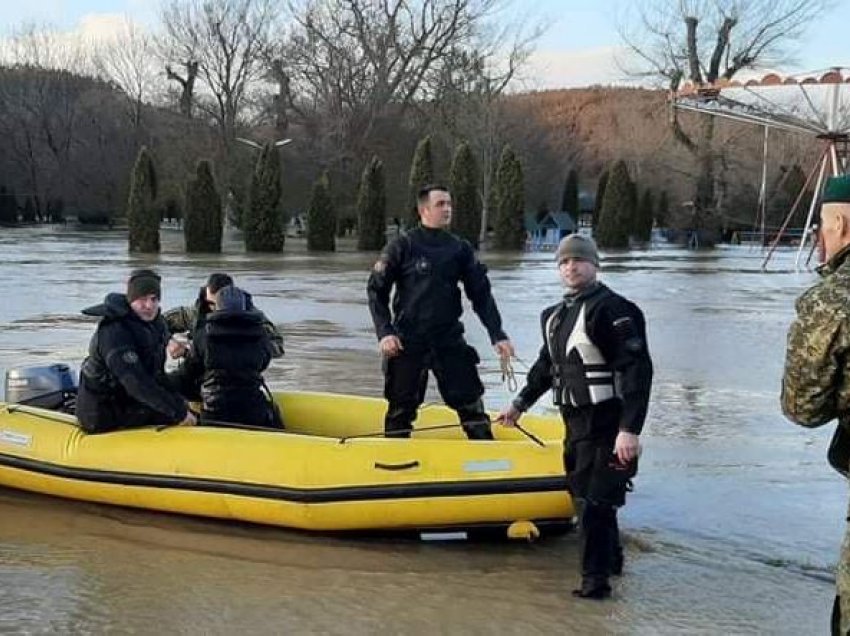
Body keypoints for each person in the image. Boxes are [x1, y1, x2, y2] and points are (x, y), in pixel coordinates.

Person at [497, 234, 653, 599]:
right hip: (574, 424)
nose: (571, 267)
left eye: (579, 260)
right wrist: (520, 404)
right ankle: (612, 562)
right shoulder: (553, 316)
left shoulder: (614, 309)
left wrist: (629, 429)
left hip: (608, 423)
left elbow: (637, 371)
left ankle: (594, 584)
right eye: (564, 262)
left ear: (595, 264)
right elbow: (545, 366)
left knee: (596, 504)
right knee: (586, 498)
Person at [367, 184, 515, 440]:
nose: (447, 209)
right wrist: (385, 332)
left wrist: (497, 334)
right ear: (423, 210)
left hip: (448, 339)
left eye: (449, 204)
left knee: (472, 406)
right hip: (407, 341)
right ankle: (394, 464)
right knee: (401, 410)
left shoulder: (459, 249)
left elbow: (480, 294)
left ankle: (489, 462)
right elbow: (376, 291)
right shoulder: (402, 245)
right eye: (440, 204)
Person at [781, 174, 850, 636]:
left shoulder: (832, 301)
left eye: (821, 228)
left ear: (841, 224)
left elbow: (802, 406)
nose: (819, 239)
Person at [76, 269, 195, 433]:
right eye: (142, 299)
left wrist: (179, 402)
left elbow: (156, 375)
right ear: (130, 300)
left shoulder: (155, 324)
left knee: (185, 409)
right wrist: (179, 413)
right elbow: (136, 382)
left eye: (154, 299)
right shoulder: (114, 332)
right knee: (174, 415)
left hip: (128, 402)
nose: (149, 305)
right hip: (102, 412)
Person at [176, 285, 281, 429]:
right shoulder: (261, 335)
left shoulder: (203, 336)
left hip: (216, 413)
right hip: (254, 410)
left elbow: (188, 373)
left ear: (217, 307)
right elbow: (262, 363)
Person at [164, 272, 283, 361]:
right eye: (210, 303)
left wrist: (251, 347)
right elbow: (158, 323)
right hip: (199, 377)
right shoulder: (196, 314)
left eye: (218, 305)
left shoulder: (253, 318)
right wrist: (171, 342)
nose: (214, 309)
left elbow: (278, 347)